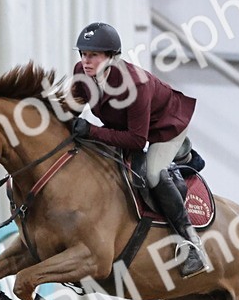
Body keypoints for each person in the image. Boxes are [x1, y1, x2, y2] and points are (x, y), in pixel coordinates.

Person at [67, 22, 211, 277]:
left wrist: (90, 131)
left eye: (94, 55)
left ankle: (192, 244)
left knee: (153, 174)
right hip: (128, 125)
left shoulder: (135, 84)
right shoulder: (82, 72)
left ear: (112, 57)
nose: (86, 61)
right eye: (83, 54)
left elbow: (136, 141)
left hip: (166, 126)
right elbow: (70, 108)